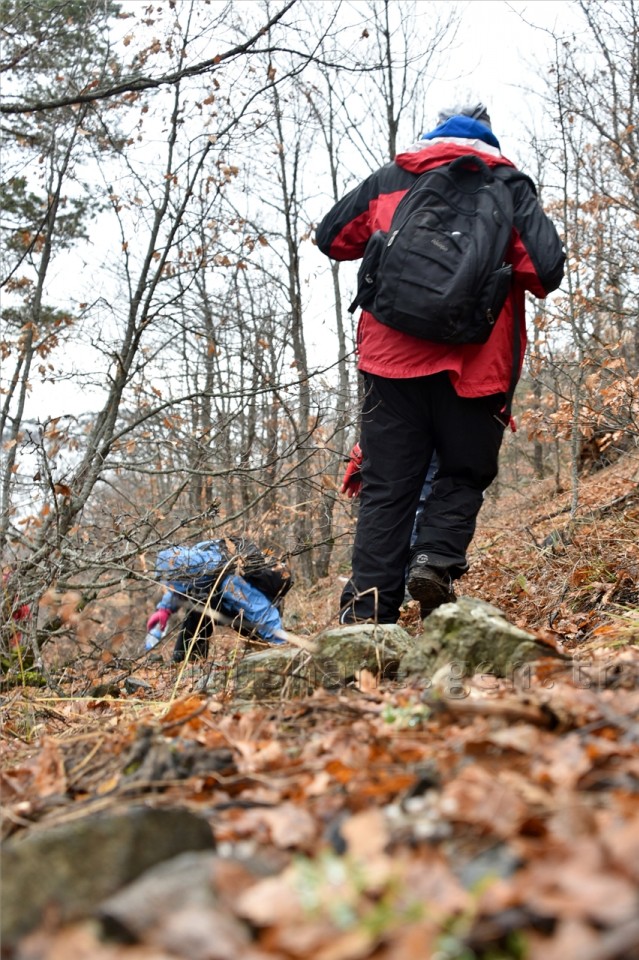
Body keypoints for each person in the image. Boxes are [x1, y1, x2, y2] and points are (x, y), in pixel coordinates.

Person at [317, 102, 565, 623]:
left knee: (386, 487)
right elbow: (546, 271)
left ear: (434, 132)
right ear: (490, 138)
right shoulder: (509, 185)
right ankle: (434, 558)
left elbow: (333, 237)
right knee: (463, 470)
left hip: (389, 362)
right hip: (477, 368)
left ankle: (367, 621)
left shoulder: (394, 176)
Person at [145, 536, 293, 661]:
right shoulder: (199, 554)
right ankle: (186, 661)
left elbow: (262, 611)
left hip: (256, 614)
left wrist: (280, 647)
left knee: (200, 602)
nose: (172, 586)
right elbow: (181, 585)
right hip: (229, 605)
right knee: (198, 601)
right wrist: (164, 609)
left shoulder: (230, 580)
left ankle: (264, 650)